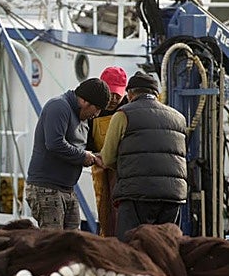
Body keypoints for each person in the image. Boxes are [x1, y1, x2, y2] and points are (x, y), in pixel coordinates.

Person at [99, 71, 187, 241]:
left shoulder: (123, 114)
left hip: (136, 194)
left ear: (130, 94)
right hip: (173, 195)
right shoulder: (179, 118)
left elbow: (108, 158)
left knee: (131, 249)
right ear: (157, 94)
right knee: (166, 248)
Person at [25, 78, 111, 230]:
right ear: (84, 101)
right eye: (96, 108)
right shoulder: (58, 106)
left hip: (68, 189)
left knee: (72, 244)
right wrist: (83, 156)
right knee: (54, 245)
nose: (97, 114)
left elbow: (80, 147)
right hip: (47, 188)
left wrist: (96, 157)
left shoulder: (83, 117)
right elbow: (54, 143)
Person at [87, 66, 128, 237]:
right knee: (105, 216)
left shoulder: (129, 109)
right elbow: (86, 142)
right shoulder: (92, 111)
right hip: (100, 170)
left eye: (118, 94)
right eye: (110, 93)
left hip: (123, 171)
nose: (114, 98)